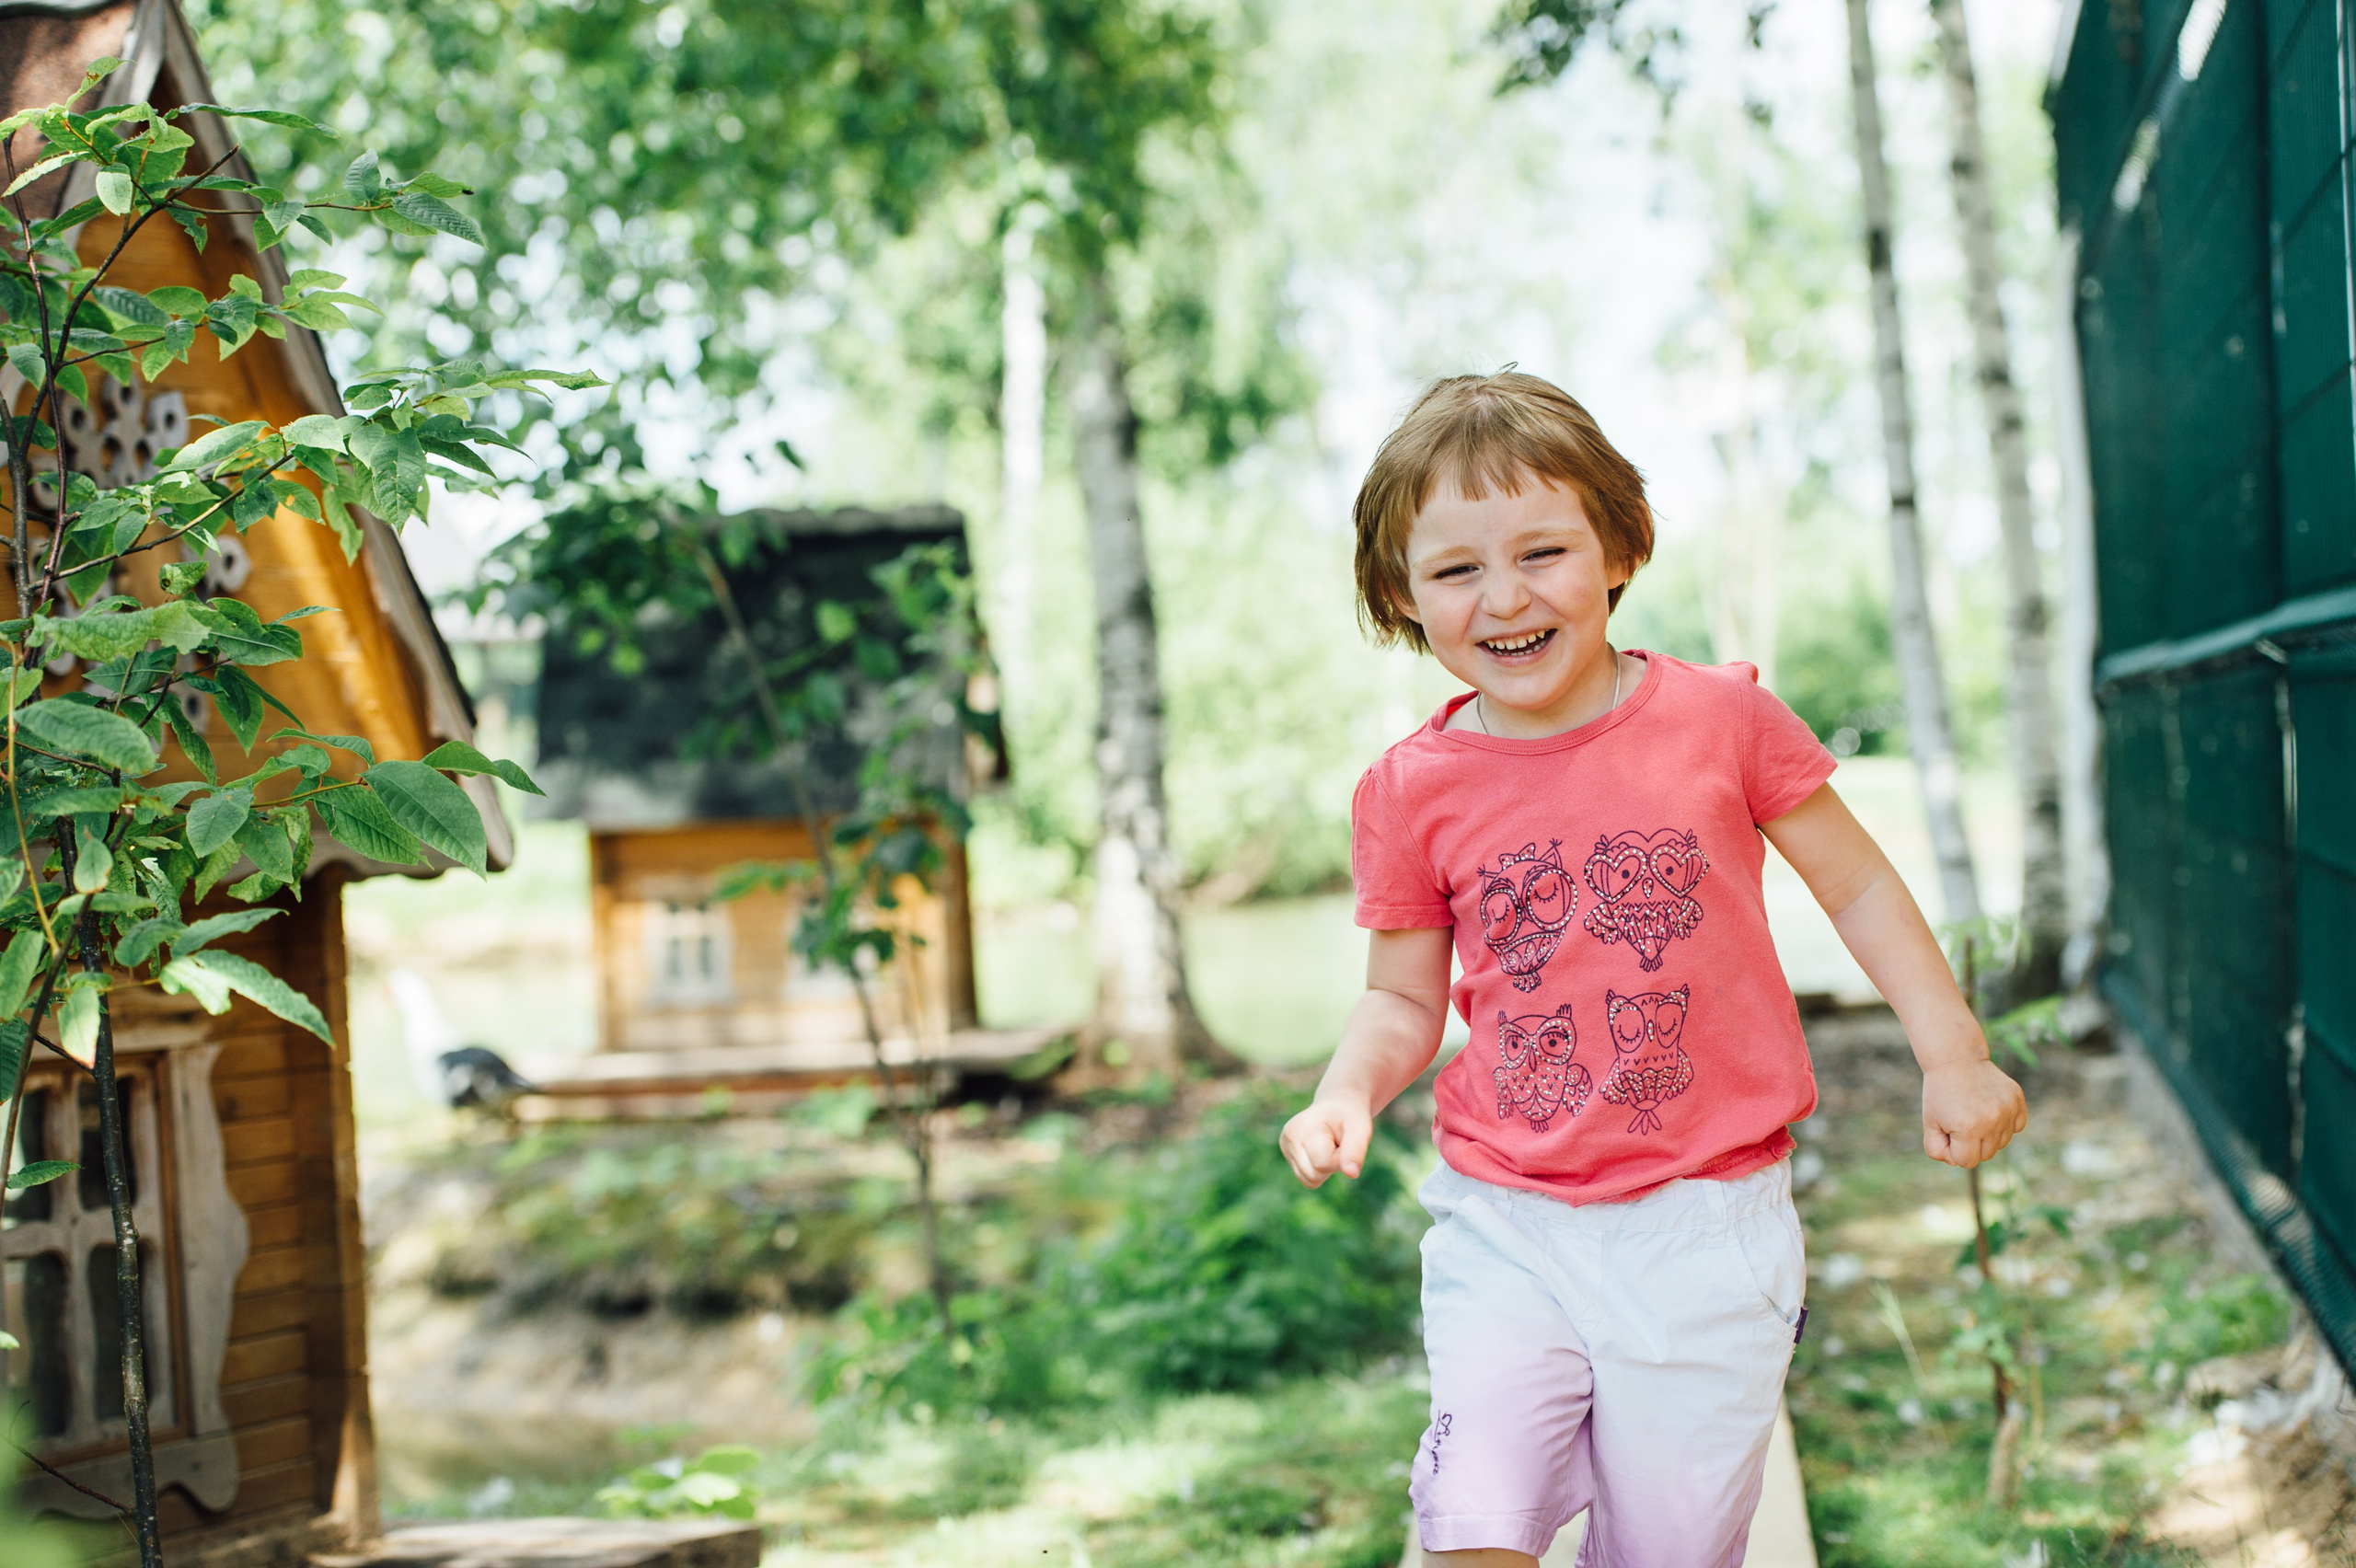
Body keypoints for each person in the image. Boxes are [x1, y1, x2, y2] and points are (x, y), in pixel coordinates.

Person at [1278, 371, 2027, 1567]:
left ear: (1619, 548)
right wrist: (1346, 1094)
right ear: (1398, 593)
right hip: (1507, 1218)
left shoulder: (1721, 722)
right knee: (1476, 1517)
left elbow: (1861, 886)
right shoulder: (1410, 790)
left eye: (1542, 552)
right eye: (1458, 569)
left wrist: (1954, 1050)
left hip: (1706, 1225)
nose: (1506, 597)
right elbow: (1401, 996)